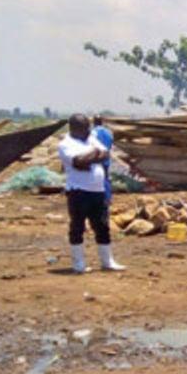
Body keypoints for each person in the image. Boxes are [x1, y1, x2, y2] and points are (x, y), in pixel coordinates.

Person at [58, 114, 124, 274]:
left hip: (97, 190)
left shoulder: (91, 139)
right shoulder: (66, 144)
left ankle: (107, 261)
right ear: (75, 128)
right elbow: (77, 161)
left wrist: (90, 157)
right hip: (78, 191)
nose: (88, 130)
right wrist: (93, 156)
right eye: (85, 128)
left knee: (102, 226)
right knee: (78, 226)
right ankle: (79, 264)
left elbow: (105, 154)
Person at [91, 115, 114, 206]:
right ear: (102, 122)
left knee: (96, 179)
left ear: (94, 122)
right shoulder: (108, 133)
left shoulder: (93, 132)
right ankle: (108, 198)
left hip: (96, 159)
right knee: (106, 178)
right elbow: (111, 144)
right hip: (106, 159)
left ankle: (98, 199)